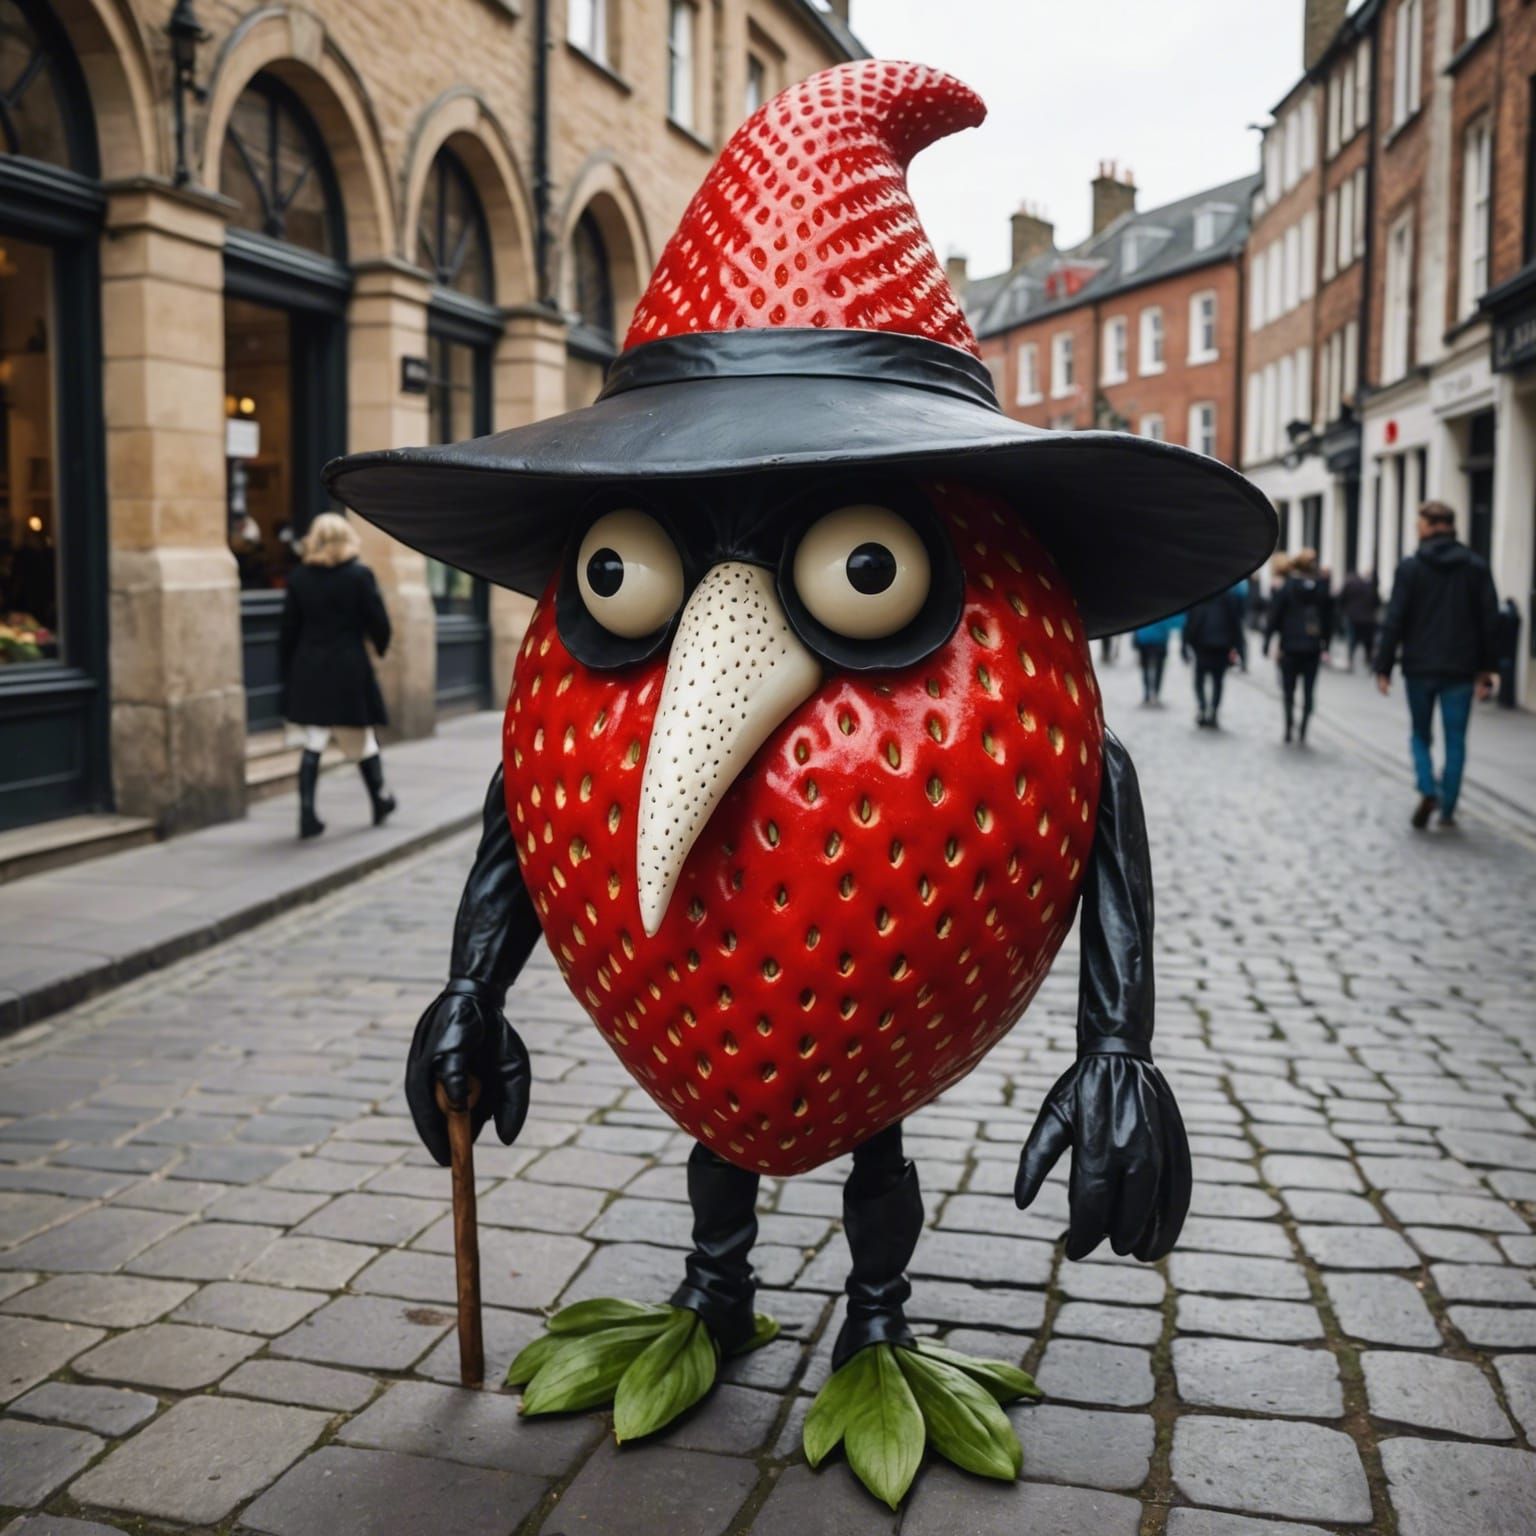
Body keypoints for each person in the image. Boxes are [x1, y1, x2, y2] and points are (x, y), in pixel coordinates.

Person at [1375, 501, 1500, 829]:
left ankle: (1428, 787)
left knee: (1420, 734)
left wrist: (1383, 666)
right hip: (1461, 668)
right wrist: (1488, 668)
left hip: (1419, 667)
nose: (1416, 529)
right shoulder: (1476, 566)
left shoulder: (1411, 567)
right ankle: (1447, 808)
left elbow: (1394, 620)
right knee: (1456, 738)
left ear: (1431, 525)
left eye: (1419, 524)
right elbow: (1490, 621)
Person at [279, 512, 396, 839]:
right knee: (362, 738)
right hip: (348, 666)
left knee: (314, 740)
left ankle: (306, 814)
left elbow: (288, 630)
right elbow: (379, 623)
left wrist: (287, 670)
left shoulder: (300, 577)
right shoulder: (360, 576)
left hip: (310, 665)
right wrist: (381, 646)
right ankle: (379, 800)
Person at [1264, 548, 1333, 744]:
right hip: (1312, 647)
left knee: (1289, 690)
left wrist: (1268, 640)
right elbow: (1328, 620)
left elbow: (1275, 616)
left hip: (1290, 646)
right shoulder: (1322, 588)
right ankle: (1303, 729)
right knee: (1309, 691)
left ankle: (1288, 727)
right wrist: (1326, 645)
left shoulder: (1288, 587)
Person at [1183, 583, 1247, 728]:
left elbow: (1191, 622)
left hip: (1205, 645)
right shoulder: (1228, 597)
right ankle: (1211, 711)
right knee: (1217, 681)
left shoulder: (1201, 596)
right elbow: (1235, 625)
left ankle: (1204, 707)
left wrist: (1187, 643)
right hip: (1219, 645)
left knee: (1202, 680)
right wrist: (1239, 649)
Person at [1132, 613, 1181, 704]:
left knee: (1145, 668)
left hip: (1144, 639)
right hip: (1159, 640)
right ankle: (1156, 693)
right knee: (1159, 669)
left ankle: (1147, 693)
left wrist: (1135, 640)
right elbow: (1170, 623)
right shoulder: (1163, 605)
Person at [1340, 568, 1381, 672]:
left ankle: (1350, 660)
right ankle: (1368, 661)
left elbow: (1342, 599)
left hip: (1353, 617)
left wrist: (1345, 610)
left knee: (1352, 640)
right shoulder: (1371, 587)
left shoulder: (1350, 584)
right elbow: (1377, 602)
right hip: (1368, 618)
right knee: (1368, 642)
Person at [1495, 598, 1521, 709]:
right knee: (1507, 678)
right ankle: (1505, 699)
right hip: (1509, 653)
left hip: (1504, 652)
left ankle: (1504, 699)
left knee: (1505, 677)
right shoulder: (1514, 619)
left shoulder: (1505, 619)